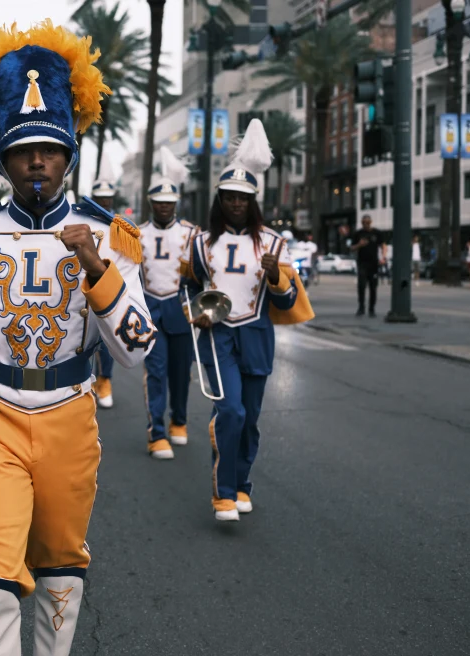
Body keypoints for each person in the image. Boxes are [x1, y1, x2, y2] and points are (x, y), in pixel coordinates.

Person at [0, 21, 155, 654]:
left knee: (62, 558)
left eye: (51, 149)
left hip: (70, 415)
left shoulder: (112, 237)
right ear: (6, 159)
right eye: (24, 150)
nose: (38, 161)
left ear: (69, 155)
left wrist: (96, 267)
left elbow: (137, 348)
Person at [186, 118, 314, 522]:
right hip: (218, 335)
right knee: (231, 412)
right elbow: (187, 288)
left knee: (252, 419)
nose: (236, 204)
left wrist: (276, 273)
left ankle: (242, 483)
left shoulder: (276, 242)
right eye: (229, 197)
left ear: (253, 200)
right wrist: (198, 313)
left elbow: (290, 297)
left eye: (242, 198)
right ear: (220, 199)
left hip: (257, 334)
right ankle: (223, 493)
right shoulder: (201, 243)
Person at [140, 173, 197, 460]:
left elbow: (201, 275)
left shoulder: (190, 233)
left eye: (169, 202)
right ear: (151, 202)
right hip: (151, 309)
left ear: (176, 203)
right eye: (159, 202)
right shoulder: (137, 233)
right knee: (156, 373)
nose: (164, 207)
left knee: (181, 374)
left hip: (180, 309)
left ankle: (179, 421)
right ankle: (157, 432)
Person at [90, 178, 118, 408]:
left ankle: (105, 380)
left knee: (107, 341)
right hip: (84, 287)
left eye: (108, 197)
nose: (105, 201)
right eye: (100, 197)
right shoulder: (82, 222)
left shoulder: (120, 224)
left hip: (110, 286)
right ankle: (88, 380)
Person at [350, 214, 382, 317]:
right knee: (361, 286)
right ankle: (361, 307)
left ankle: (372, 309)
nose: (366, 224)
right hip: (362, 263)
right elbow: (352, 248)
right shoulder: (358, 234)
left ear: (371, 222)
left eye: (367, 222)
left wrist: (383, 257)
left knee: (373, 287)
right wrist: (360, 244)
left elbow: (383, 245)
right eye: (363, 223)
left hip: (374, 264)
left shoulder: (376, 233)